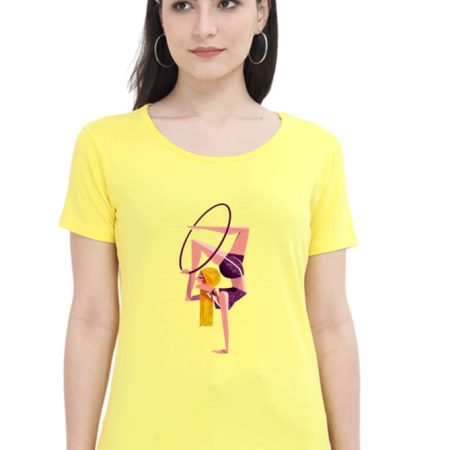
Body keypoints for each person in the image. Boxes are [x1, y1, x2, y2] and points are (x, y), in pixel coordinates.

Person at [58, 1, 361, 449]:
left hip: (286, 433)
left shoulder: (316, 151)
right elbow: (92, 318)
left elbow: (331, 323)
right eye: (183, 5)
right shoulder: (104, 146)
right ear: (160, 15)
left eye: (226, 4)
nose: (204, 27)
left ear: (261, 13)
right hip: (145, 434)